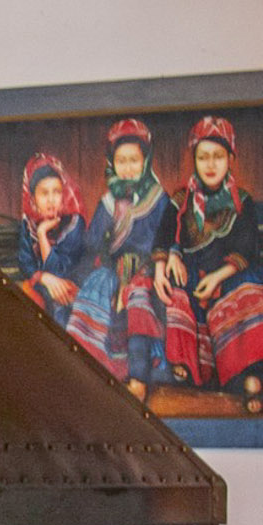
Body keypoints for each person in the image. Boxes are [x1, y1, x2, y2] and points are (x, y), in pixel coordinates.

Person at [162, 115, 263, 386]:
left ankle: (247, 375)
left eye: (218, 156)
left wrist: (217, 277)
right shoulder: (181, 199)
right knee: (176, 293)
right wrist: (172, 254)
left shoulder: (242, 201)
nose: (210, 165)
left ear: (230, 159)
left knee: (244, 295)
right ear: (194, 160)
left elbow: (247, 248)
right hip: (193, 274)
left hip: (228, 274)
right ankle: (188, 366)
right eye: (203, 157)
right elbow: (164, 234)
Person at [75, 118, 177, 384]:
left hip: (149, 272)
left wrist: (144, 274)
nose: (128, 168)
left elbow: (167, 240)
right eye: (121, 161)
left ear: (146, 161)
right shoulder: (108, 202)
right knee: (97, 292)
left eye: (134, 160)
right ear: (112, 163)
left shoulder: (158, 199)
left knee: (139, 300)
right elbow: (93, 244)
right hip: (114, 271)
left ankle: (140, 376)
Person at [9, 151, 88, 335]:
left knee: (59, 313)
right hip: (46, 285)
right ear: (33, 199)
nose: (51, 200)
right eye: (44, 193)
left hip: (71, 287)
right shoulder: (29, 224)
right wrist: (44, 277)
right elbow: (25, 262)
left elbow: (59, 270)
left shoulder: (74, 223)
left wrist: (43, 235)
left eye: (57, 192)